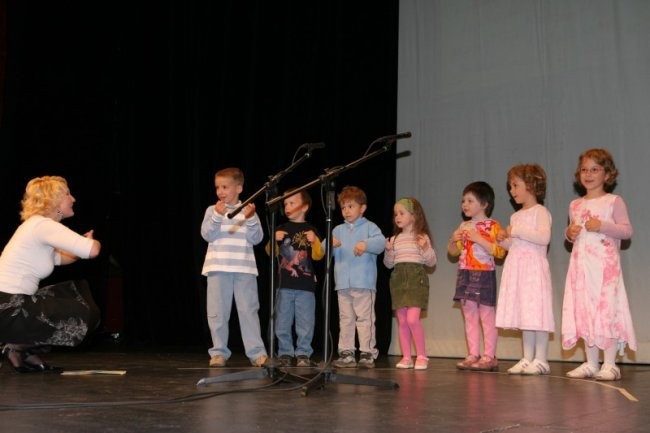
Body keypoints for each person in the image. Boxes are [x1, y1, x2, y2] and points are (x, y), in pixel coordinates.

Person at [0, 176, 101, 373]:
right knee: (87, 313)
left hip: (9, 305)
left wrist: (79, 245)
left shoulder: (36, 227)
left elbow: (64, 258)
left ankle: (20, 350)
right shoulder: (42, 225)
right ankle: (16, 345)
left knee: (71, 293)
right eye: (67, 194)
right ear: (53, 200)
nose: (73, 199)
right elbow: (93, 251)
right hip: (8, 306)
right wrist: (92, 242)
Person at [562, 149, 636, 381]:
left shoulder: (613, 201)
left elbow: (626, 230)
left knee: (607, 310)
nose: (589, 174)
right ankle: (591, 362)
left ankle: (611, 363)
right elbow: (573, 234)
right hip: (581, 268)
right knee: (584, 309)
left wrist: (603, 225)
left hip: (605, 268)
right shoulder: (575, 205)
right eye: (584, 169)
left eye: (595, 169)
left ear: (607, 174)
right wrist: (569, 233)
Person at [200, 167, 268, 368]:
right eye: (217, 187)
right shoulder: (212, 211)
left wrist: (252, 218)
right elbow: (207, 235)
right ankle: (219, 352)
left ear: (239, 188)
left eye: (225, 186)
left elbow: (257, 239)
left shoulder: (248, 211)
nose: (220, 191)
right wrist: (217, 217)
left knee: (248, 311)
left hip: (244, 269)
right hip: (218, 268)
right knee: (218, 312)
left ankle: (257, 354)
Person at [495, 165, 555, 375]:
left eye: (515, 185)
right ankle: (527, 357)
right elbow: (516, 244)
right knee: (525, 314)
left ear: (531, 185)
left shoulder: (540, 212)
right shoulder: (515, 217)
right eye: (510, 186)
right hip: (517, 267)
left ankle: (541, 359)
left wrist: (517, 231)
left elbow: (543, 237)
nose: (512, 191)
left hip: (533, 269)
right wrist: (504, 241)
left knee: (536, 313)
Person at [448, 181, 506, 372]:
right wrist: (453, 241)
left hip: (484, 275)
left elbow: (500, 252)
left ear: (484, 204)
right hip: (465, 273)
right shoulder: (463, 225)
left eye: (470, 200)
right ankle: (473, 353)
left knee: (487, 316)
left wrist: (479, 239)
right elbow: (453, 253)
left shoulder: (493, 225)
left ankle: (490, 356)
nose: (465, 204)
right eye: (463, 200)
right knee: (470, 316)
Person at [331, 186, 385, 369]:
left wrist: (366, 244)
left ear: (362, 208)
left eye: (351, 206)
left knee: (365, 318)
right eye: (343, 207)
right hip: (343, 285)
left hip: (364, 283)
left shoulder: (370, 227)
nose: (346, 211)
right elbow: (323, 251)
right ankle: (346, 352)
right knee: (346, 318)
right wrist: (329, 244)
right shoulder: (337, 230)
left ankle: (367, 352)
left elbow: (381, 244)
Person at [271, 188, 324, 367]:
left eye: (292, 203)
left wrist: (315, 241)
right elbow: (269, 252)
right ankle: (285, 352)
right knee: (283, 321)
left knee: (305, 322)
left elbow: (318, 256)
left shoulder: (311, 230)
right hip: (284, 284)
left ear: (305, 207)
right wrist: (274, 239)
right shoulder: (281, 229)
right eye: (285, 204)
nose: (287, 206)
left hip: (306, 285)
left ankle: (303, 353)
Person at [383, 197, 437, 370]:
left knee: (413, 319)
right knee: (403, 321)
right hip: (399, 280)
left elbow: (431, 262)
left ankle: (421, 356)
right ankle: (406, 357)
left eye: (401, 213)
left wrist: (425, 248)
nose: (397, 217)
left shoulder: (421, 236)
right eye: (395, 214)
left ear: (414, 216)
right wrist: (389, 251)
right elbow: (389, 264)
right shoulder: (394, 239)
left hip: (415, 280)